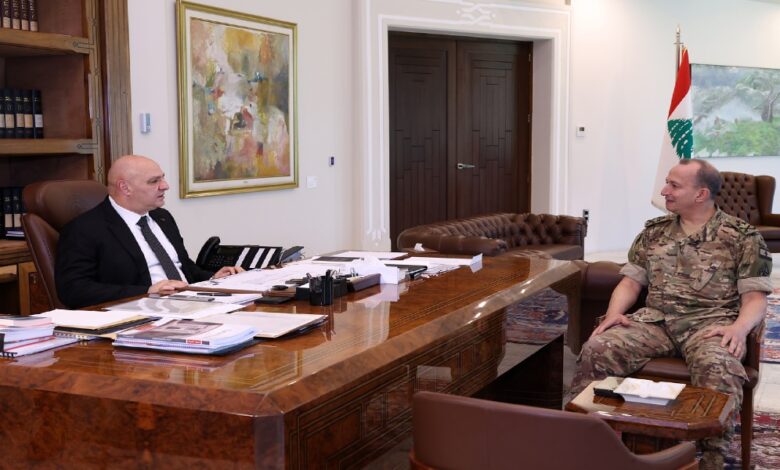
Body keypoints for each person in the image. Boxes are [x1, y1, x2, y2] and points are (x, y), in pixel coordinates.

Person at [569, 159, 773, 469]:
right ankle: (588, 445)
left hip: (710, 325)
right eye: (667, 182)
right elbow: (630, 282)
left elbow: (755, 298)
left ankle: (709, 459)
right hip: (657, 322)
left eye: (674, 185)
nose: (664, 191)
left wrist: (740, 329)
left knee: (719, 367)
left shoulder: (742, 237)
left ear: (701, 194)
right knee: (598, 348)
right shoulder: (654, 232)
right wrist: (613, 314)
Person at [55, 155, 242, 308]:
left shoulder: (162, 217)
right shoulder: (84, 229)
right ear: (125, 188)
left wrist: (213, 278)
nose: (165, 186)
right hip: (141, 312)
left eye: (162, 178)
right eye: (154, 181)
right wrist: (147, 291)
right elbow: (73, 290)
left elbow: (183, 267)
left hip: (190, 303)